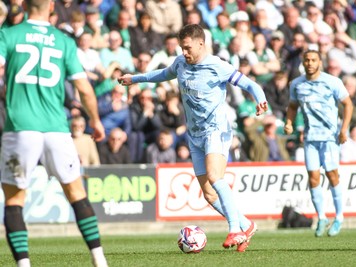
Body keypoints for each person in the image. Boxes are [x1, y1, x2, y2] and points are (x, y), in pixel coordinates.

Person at [118, 24, 268, 252]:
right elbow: (162, 74)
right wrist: (135, 79)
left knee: (215, 177)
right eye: (181, 48)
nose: (184, 52)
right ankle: (247, 225)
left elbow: (250, 84)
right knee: (208, 193)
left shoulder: (217, 66)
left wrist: (260, 99)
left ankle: (236, 229)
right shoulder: (180, 62)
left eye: (187, 48)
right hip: (194, 135)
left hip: (216, 130)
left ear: (201, 43)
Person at [0, 0, 108, 266]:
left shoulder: (9, 34)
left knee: (15, 199)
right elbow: (84, 89)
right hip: (57, 129)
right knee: (76, 193)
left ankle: (24, 264)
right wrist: (95, 121)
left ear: (24, 5)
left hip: (21, 127)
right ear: (51, 7)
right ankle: (100, 260)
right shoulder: (64, 41)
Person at [284, 50, 353, 238]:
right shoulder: (297, 84)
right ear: (303, 62)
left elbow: (348, 104)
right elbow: (292, 106)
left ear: (320, 63)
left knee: (332, 175)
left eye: (313, 60)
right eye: (307, 60)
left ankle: (339, 216)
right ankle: (322, 217)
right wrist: (289, 123)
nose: (310, 63)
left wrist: (344, 129)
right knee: (313, 178)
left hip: (330, 137)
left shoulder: (332, 82)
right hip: (310, 138)